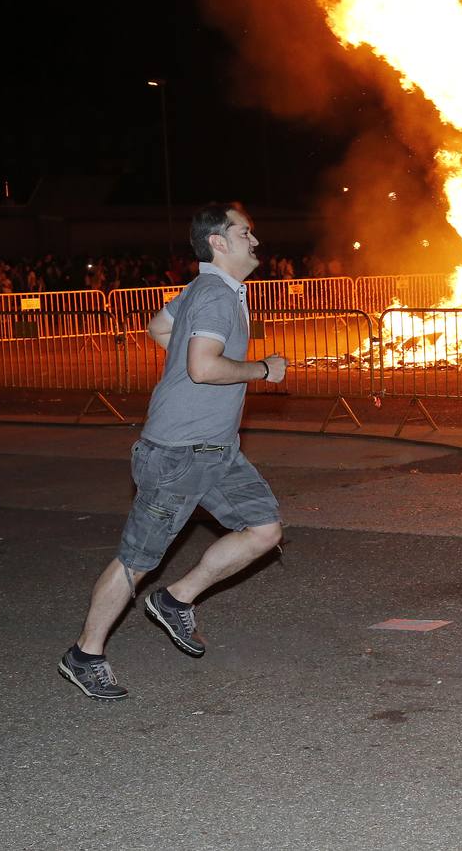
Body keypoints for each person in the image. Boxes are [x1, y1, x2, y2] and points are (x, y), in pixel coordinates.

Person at [58, 202, 287, 701]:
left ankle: (176, 598)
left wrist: (189, 372)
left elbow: (159, 329)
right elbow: (204, 368)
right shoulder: (215, 298)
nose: (255, 241)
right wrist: (261, 368)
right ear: (218, 242)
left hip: (218, 450)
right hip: (178, 453)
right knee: (136, 559)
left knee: (264, 529)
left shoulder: (207, 291)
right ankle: (84, 654)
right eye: (245, 233)